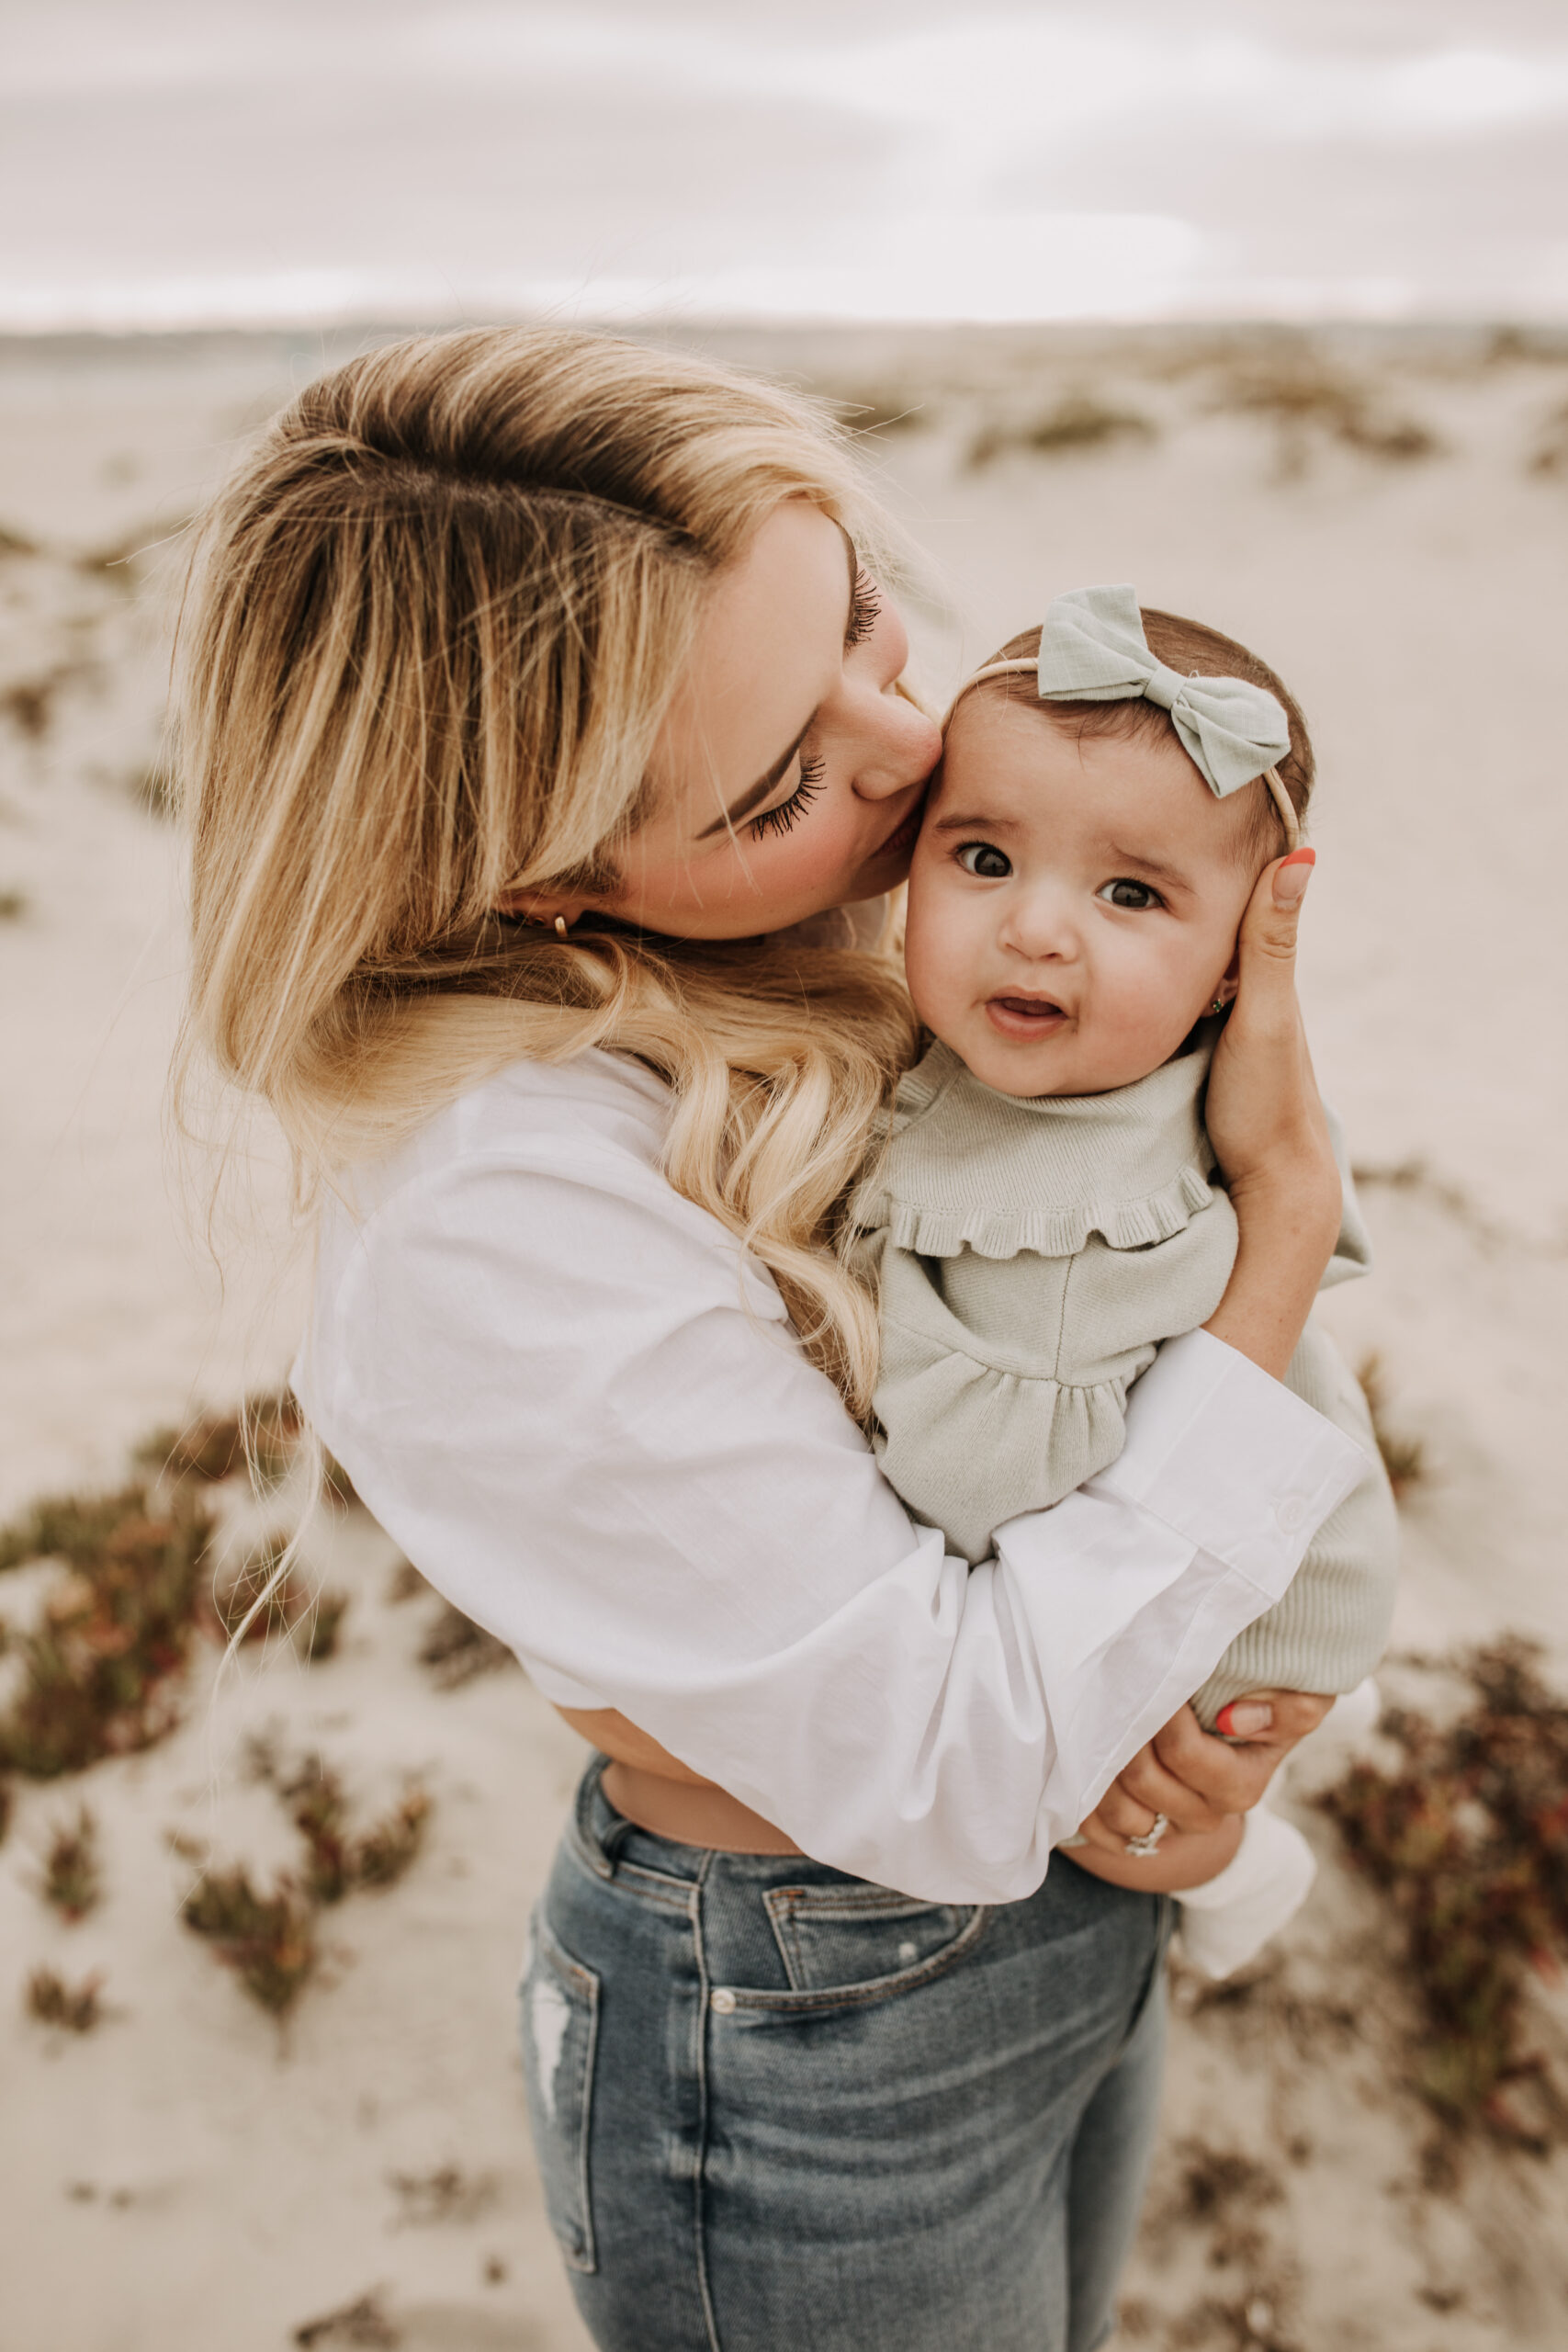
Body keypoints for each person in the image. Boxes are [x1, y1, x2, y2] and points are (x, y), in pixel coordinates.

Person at [176, 326, 1367, 2352]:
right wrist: (1288, 1234)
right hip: (814, 2025)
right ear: (543, 880)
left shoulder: (780, 943)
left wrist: (1214, 1736)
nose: (912, 761)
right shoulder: (500, 1214)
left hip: (1063, 1932)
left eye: (865, 636)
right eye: (779, 780)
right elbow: (955, 1751)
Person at [849, 583, 1398, 1980]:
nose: (1037, 930)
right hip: (1261, 1531)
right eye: (981, 858)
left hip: (1247, 1625)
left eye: (1132, 894)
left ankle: (1233, 1875)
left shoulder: (1075, 1222)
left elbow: (984, 1497)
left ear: (1236, 968)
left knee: (1117, 1815)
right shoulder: (1134, 1082)